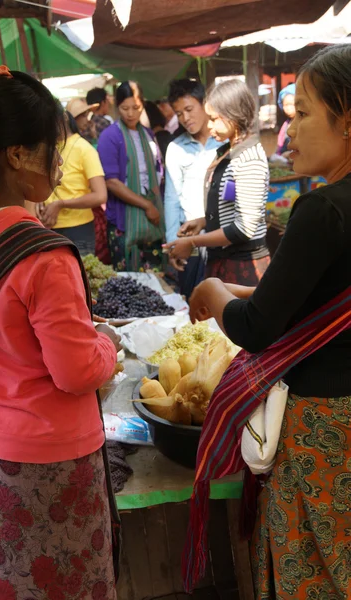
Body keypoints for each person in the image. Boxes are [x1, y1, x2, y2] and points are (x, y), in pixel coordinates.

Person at [0, 67, 121, 599]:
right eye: (55, 145)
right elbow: (74, 372)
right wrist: (107, 345)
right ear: (16, 154)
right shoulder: (41, 253)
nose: (60, 159)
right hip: (46, 463)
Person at [189, 45, 351, 599]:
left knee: (312, 566)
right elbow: (312, 299)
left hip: (324, 429)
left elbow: (259, 326)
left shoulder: (323, 210)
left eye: (303, 113)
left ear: (347, 120)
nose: (289, 130)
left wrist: (211, 289)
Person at [165, 79, 270, 287]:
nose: (209, 125)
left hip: (243, 266)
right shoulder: (230, 153)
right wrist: (204, 221)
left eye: (213, 119)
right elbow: (230, 201)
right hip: (225, 260)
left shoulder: (249, 158)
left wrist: (193, 242)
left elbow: (244, 228)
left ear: (233, 115)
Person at [97, 81, 165, 272]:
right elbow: (111, 182)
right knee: (129, 277)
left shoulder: (147, 134)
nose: (130, 113)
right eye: (124, 108)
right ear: (116, 106)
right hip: (124, 219)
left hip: (151, 218)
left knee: (154, 274)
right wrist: (147, 205)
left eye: (136, 107)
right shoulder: (110, 137)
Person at [163, 79, 219, 298]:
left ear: (204, 104)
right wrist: (172, 245)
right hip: (189, 242)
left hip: (221, 238)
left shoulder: (223, 141)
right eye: (178, 114)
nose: (185, 118)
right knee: (195, 301)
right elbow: (171, 199)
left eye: (189, 109)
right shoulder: (176, 148)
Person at [39, 110, 107, 256]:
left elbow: (100, 196)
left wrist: (60, 204)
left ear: (62, 119)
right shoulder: (47, 147)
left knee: (79, 276)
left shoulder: (84, 149)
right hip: (48, 228)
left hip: (78, 229)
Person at [276, 83, 296, 156]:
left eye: (291, 104)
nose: (288, 108)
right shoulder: (286, 124)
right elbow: (280, 146)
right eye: (286, 105)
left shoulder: (303, 124)